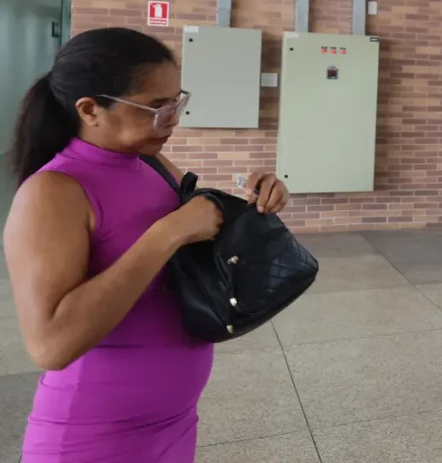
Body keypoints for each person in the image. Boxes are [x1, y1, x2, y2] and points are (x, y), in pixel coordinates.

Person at [3, 27, 290, 463]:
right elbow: (50, 345)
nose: (172, 119)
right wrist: (167, 233)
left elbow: (200, 228)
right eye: (156, 108)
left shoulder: (151, 163)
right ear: (91, 109)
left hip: (173, 424)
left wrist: (255, 199)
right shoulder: (54, 192)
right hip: (94, 435)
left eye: (177, 102)